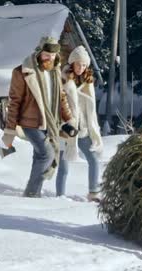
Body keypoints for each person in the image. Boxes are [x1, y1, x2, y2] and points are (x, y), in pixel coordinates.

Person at [1, 36, 76, 198]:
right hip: (29, 122)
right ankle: (31, 194)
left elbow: (61, 97)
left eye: (53, 55)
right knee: (47, 154)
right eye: (46, 54)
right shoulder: (23, 72)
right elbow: (14, 101)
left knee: (39, 157)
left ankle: (35, 195)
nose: (50, 58)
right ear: (39, 53)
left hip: (50, 122)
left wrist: (69, 118)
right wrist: (10, 129)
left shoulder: (55, 71)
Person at [56, 46, 103, 202]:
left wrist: (92, 128)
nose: (81, 68)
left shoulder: (88, 82)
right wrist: (66, 124)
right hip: (66, 129)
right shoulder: (63, 80)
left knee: (94, 159)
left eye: (84, 65)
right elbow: (58, 105)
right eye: (78, 64)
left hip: (83, 129)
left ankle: (94, 192)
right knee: (64, 166)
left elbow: (91, 110)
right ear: (72, 63)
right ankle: (59, 197)